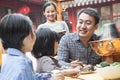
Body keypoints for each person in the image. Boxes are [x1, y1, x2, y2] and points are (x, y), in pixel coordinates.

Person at [0, 13, 54, 80]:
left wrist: (50, 77)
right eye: (32, 33)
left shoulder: (8, 59)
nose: (34, 37)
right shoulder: (22, 64)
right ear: (24, 38)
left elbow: (33, 76)